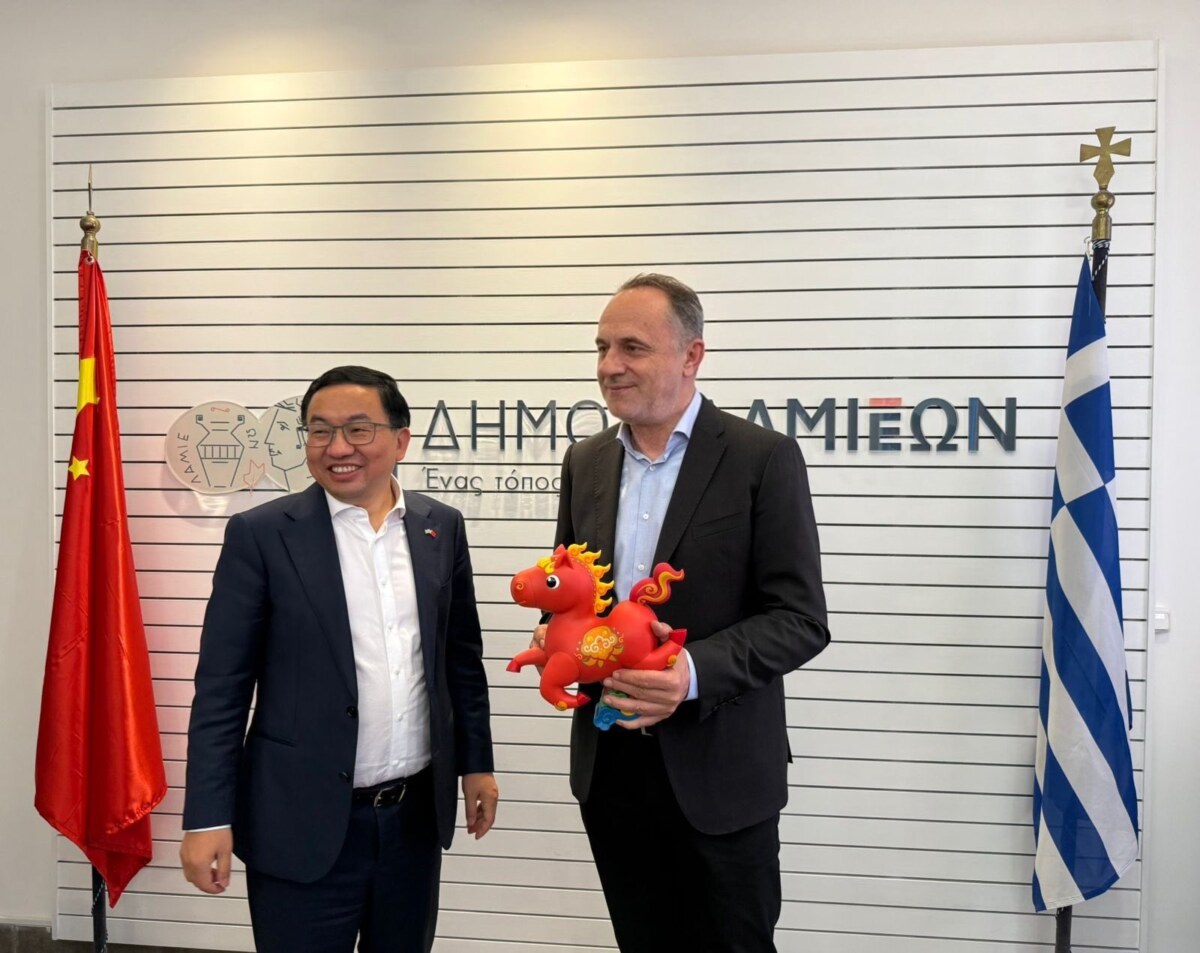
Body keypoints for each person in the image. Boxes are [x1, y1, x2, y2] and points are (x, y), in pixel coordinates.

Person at [545, 275, 830, 953]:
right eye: (602, 347)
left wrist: (691, 672)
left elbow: (799, 617)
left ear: (691, 356)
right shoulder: (585, 461)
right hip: (611, 768)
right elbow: (571, 587)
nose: (610, 365)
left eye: (633, 347)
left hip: (721, 773)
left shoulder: (762, 457)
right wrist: (558, 632)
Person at [180, 365, 497, 953]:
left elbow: (460, 661)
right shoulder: (261, 535)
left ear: (401, 440)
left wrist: (476, 764)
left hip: (412, 824)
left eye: (358, 429)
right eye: (320, 431)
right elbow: (222, 689)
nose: (337, 447)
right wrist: (207, 817)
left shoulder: (440, 528)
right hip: (298, 825)